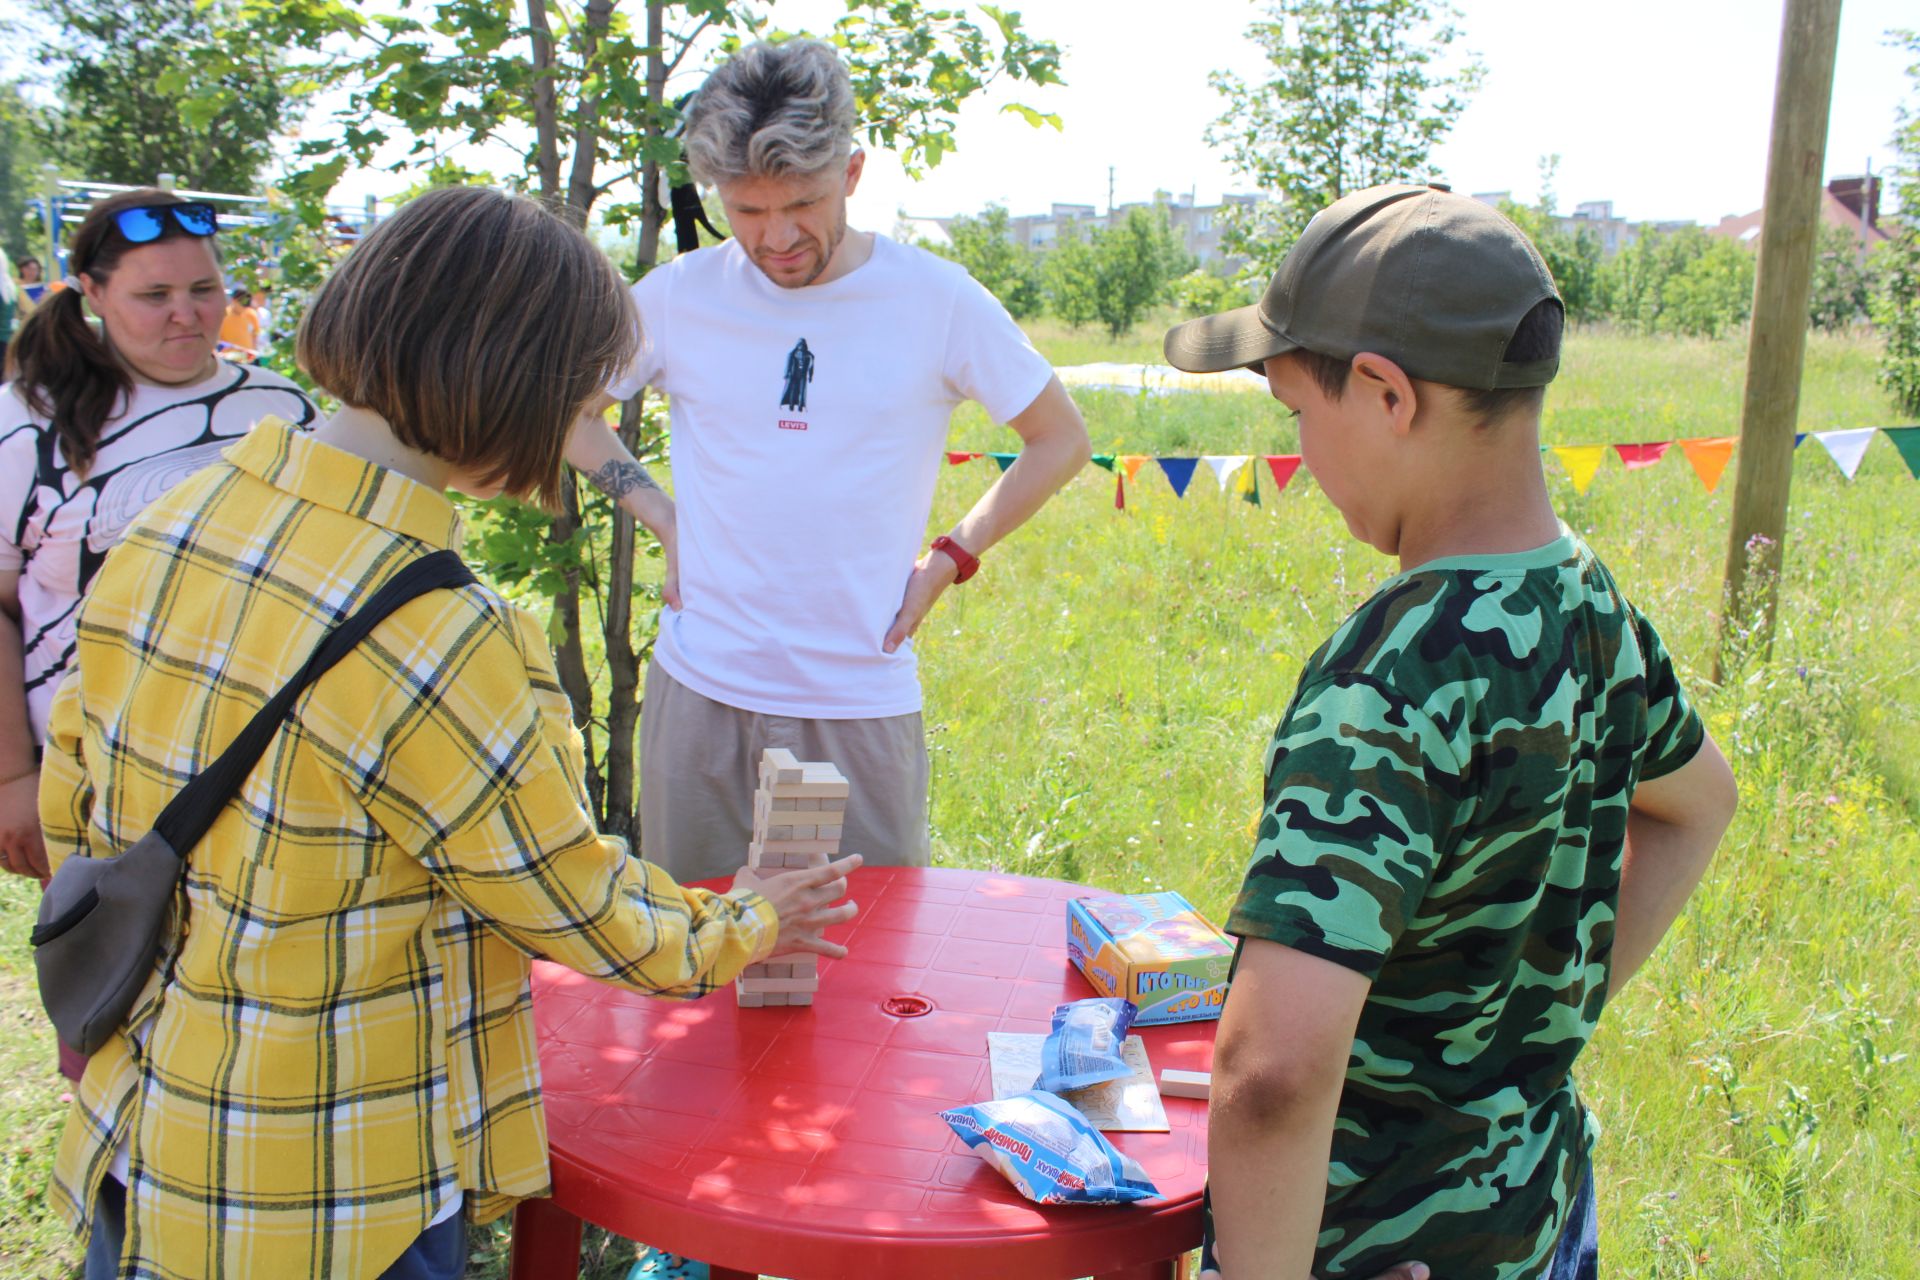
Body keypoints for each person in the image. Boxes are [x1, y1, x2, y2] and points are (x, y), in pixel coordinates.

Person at [43, 184, 861, 1279]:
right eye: (580, 401)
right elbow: (575, 903)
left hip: (145, 1141)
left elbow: (79, 798)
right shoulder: (434, 628)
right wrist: (751, 913)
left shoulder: (177, 518)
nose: (588, 433)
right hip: (331, 1195)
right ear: (511, 385)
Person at [1162, 184, 1739, 1280]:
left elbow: (1276, 1069)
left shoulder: (1391, 672)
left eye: (1298, 412)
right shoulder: (1588, 601)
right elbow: (1701, 801)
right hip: (1539, 1211)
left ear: (1384, 393)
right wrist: (1522, 1037)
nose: (1301, 454)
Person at [567, 38, 1091, 883]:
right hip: (701, 695)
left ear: (851, 172)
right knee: (695, 966)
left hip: (859, 700)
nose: (775, 238)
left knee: (867, 964)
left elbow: (1061, 439)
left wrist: (951, 556)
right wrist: (665, 518)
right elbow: (570, 414)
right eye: (745, 210)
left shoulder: (938, 299)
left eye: (801, 204)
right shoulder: (677, 296)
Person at [0, 191, 317, 914]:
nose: (188, 313)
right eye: (155, 295)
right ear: (92, 294)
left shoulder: (283, 409)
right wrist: (12, 778)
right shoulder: (26, 422)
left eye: (204, 289)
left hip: (257, 768)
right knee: (106, 1001)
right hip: (91, 774)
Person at [218, 285, 261, 361]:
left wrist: (253, 351)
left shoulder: (251, 314)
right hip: (229, 359)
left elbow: (255, 334)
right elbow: (217, 340)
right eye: (242, 305)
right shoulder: (223, 315)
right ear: (234, 300)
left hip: (247, 359)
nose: (244, 308)